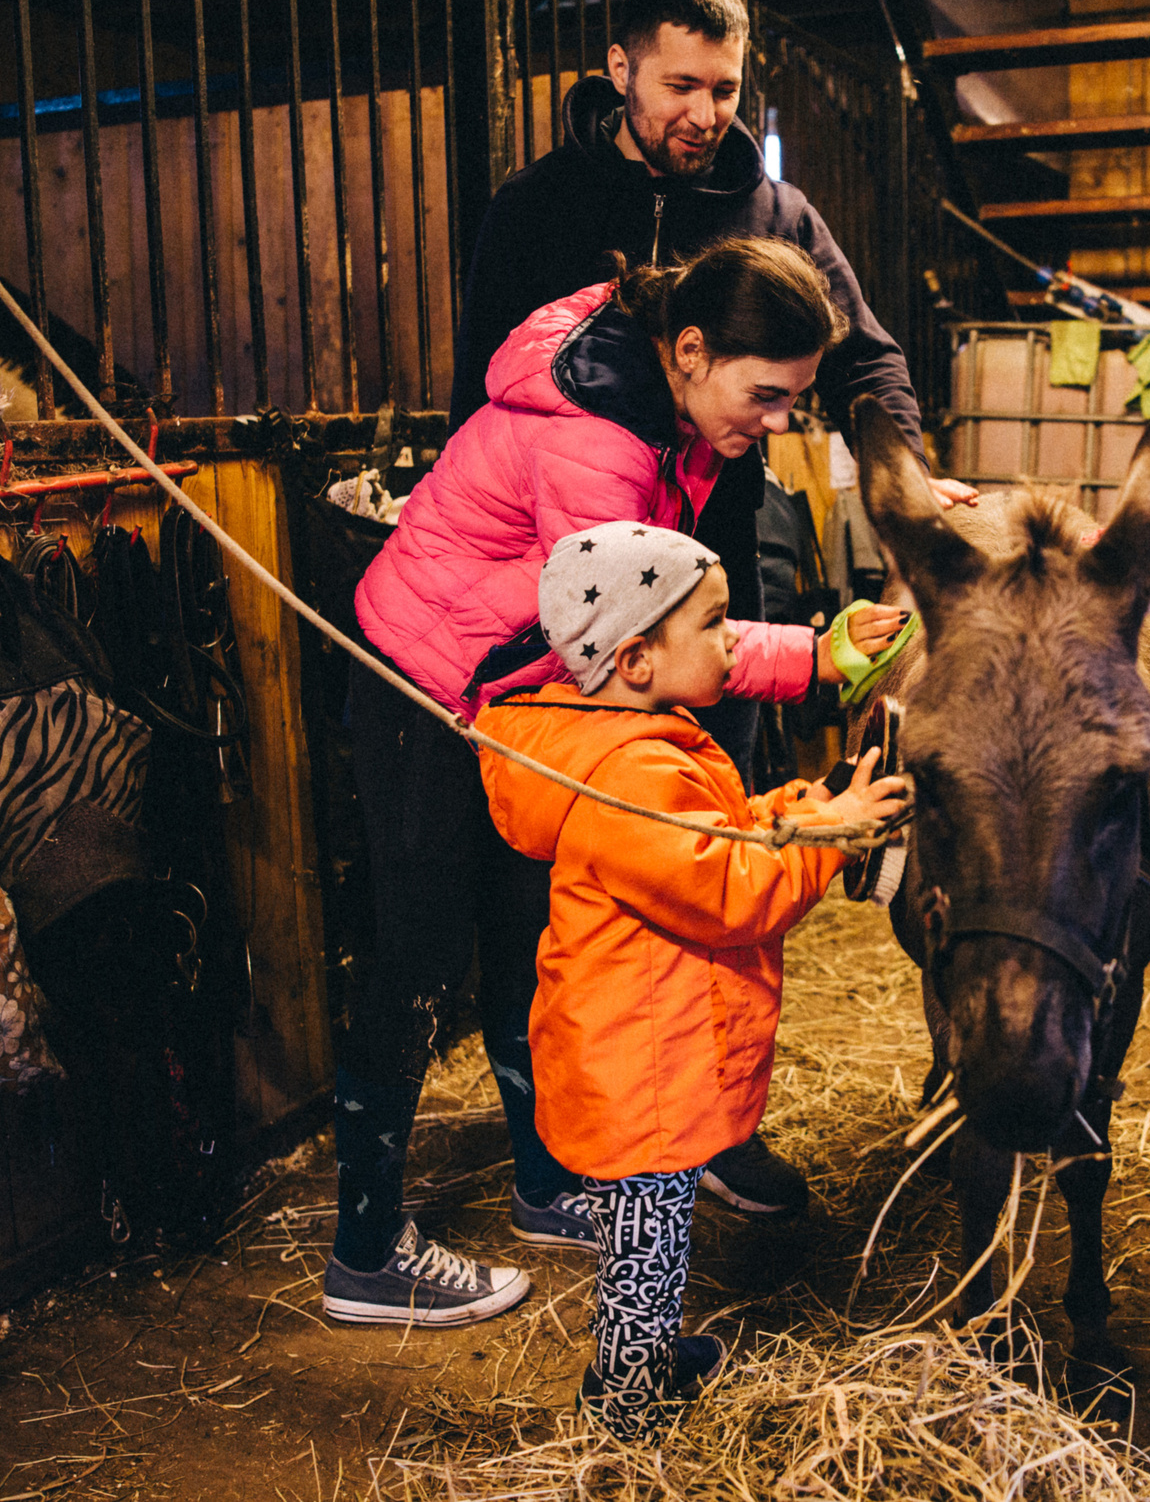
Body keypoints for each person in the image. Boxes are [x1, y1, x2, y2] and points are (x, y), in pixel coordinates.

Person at [442, 0, 969, 1219]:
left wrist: (898, 480)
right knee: (561, 875)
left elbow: (867, 359)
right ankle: (559, 1141)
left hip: (713, 574)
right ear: (619, 70)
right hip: (561, 598)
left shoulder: (774, 210)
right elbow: (487, 386)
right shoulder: (541, 207)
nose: (704, 111)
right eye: (680, 83)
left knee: (712, 828)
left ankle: (712, 1119)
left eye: (724, 87)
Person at [327, 238, 908, 1326]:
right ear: (688, 351)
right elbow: (646, 638)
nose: (779, 422)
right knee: (418, 956)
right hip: (427, 680)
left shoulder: (659, 407)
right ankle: (364, 1248)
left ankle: (548, 1183)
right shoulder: (598, 439)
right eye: (767, 394)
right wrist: (813, 658)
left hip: (510, 690)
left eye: (796, 399)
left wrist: (819, 653)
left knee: (525, 932)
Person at [473, 522, 910, 1437]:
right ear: (636, 658)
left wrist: (805, 804)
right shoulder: (630, 770)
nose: (733, 642)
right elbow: (729, 890)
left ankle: (645, 1357)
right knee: (648, 1243)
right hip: (645, 1069)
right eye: (715, 625)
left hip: (637, 1046)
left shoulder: (628, 739)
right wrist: (830, 837)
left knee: (648, 1240)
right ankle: (630, 1405)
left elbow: (720, 837)